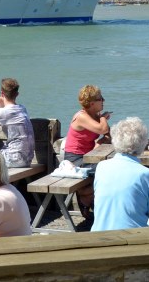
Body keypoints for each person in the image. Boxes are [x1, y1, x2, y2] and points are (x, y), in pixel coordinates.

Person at [91, 117, 149, 231]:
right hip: (135, 237)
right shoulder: (148, 175)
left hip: (99, 233)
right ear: (143, 142)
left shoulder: (101, 167)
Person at [63, 84, 111, 218]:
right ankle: (86, 197)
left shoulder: (94, 116)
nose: (104, 100)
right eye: (101, 98)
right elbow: (103, 130)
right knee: (106, 169)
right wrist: (103, 117)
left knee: (108, 168)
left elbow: (108, 134)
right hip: (74, 159)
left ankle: (87, 196)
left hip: (87, 157)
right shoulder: (81, 116)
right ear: (92, 103)